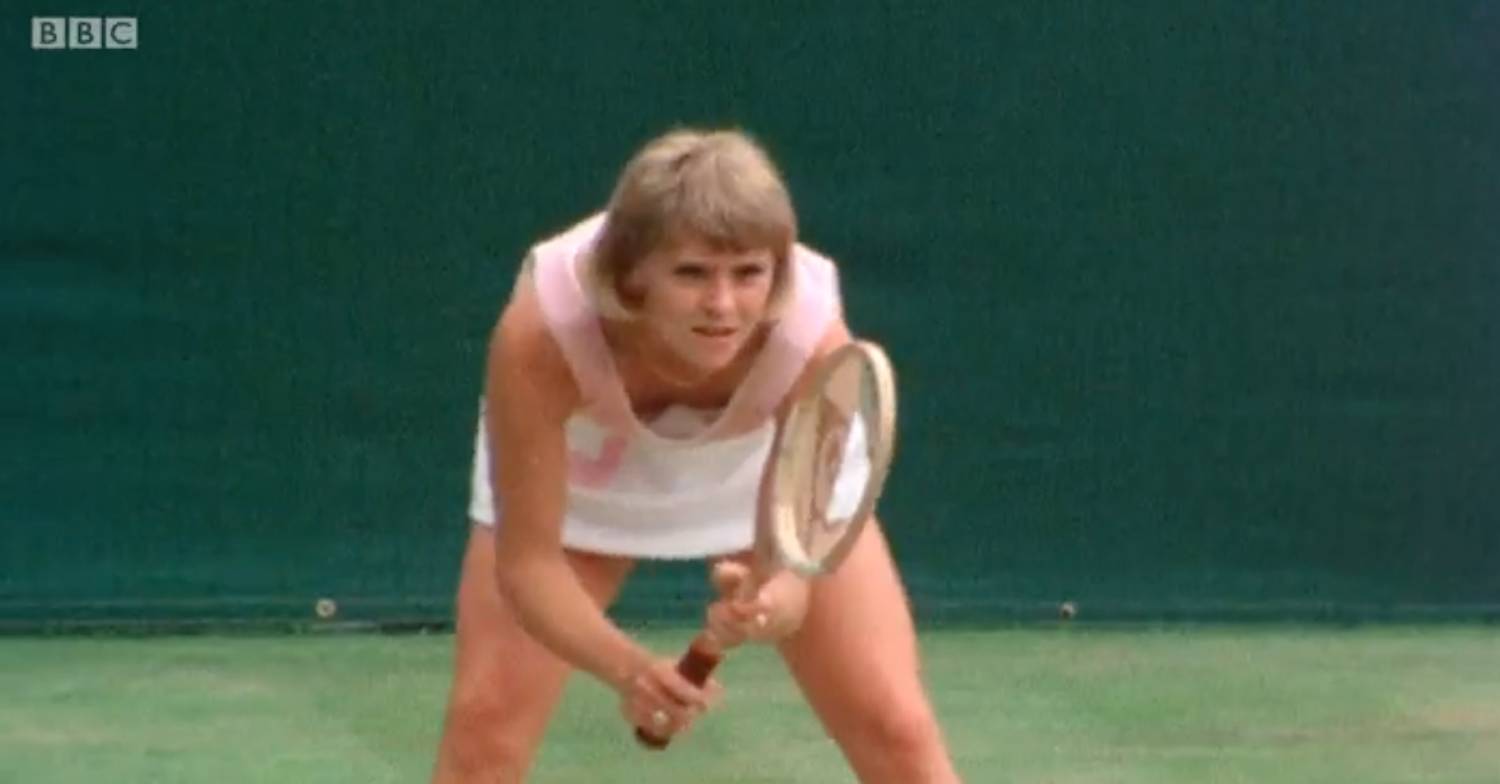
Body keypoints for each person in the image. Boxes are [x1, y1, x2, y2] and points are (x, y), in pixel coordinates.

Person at [430, 128, 961, 783]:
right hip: (585, 473)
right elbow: (528, 566)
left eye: (748, 274)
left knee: (896, 727)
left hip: (764, 471)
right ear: (632, 275)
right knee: (486, 728)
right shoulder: (541, 333)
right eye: (692, 274)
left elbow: (797, 573)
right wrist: (634, 672)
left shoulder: (814, 341)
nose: (723, 305)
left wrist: (770, 600)